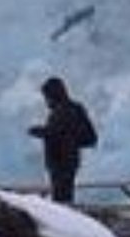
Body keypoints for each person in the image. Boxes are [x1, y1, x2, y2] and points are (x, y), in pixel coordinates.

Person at [28, 75, 97, 204]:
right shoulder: (74, 109)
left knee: (61, 201)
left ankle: (65, 223)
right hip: (68, 162)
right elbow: (88, 137)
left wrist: (41, 132)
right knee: (65, 198)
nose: (46, 100)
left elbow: (57, 134)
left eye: (46, 96)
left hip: (60, 162)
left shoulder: (62, 111)